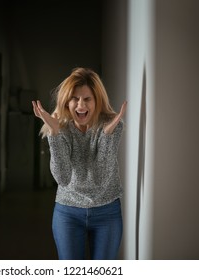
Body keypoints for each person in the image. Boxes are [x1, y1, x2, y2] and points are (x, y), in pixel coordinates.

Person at [32, 67, 127, 260]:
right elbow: (63, 178)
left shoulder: (111, 126)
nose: (80, 105)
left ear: (97, 100)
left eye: (87, 99)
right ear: (67, 101)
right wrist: (55, 134)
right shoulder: (61, 127)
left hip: (107, 212)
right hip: (67, 213)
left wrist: (107, 136)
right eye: (75, 98)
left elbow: (100, 178)